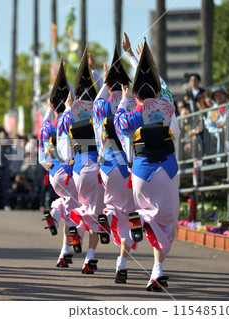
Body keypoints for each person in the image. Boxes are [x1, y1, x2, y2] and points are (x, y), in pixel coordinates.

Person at [114, 39, 180, 292]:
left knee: (146, 213)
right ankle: (157, 269)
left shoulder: (133, 114)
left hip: (142, 170)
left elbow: (119, 125)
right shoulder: (167, 108)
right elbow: (161, 86)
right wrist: (139, 59)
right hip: (168, 168)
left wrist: (126, 99)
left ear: (137, 92)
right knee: (166, 221)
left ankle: (138, 221)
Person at [91, 40, 137, 283]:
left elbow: (100, 95)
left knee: (111, 206)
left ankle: (107, 218)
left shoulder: (100, 104)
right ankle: (121, 264)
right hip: (128, 165)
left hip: (105, 164)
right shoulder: (131, 101)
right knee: (130, 213)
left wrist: (100, 76)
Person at [57, 46, 106, 274]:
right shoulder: (99, 109)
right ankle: (90, 257)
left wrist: (67, 107)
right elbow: (107, 96)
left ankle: (74, 228)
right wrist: (98, 75)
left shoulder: (69, 114)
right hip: (96, 166)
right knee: (95, 213)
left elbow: (64, 151)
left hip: (76, 168)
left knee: (81, 207)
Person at [38, 59, 84, 268]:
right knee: (76, 211)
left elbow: (42, 158)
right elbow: (71, 105)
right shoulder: (70, 120)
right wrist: (68, 83)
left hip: (54, 174)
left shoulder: (46, 127)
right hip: (71, 172)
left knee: (66, 207)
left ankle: (63, 252)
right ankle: (69, 232)